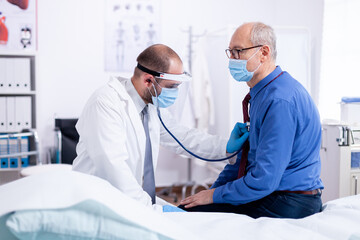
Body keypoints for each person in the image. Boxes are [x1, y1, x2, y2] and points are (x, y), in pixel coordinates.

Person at [72, 44, 248, 212]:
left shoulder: (150, 106)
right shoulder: (105, 103)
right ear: (148, 80)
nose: (175, 93)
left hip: (131, 200)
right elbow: (114, 167)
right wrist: (151, 211)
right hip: (100, 201)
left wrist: (224, 147)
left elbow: (182, 137)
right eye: (172, 87)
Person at [179, 22, 324, 219]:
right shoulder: (264, 93)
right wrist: (211, 192)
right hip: (274, 193)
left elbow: (264, 180)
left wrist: (213, 195)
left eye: (238, 51)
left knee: (190, 216)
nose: (231, 59)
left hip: (290, 200)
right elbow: (245, 161)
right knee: (189, 209)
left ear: (264, 53)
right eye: (230, 52)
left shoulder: (279, 100)